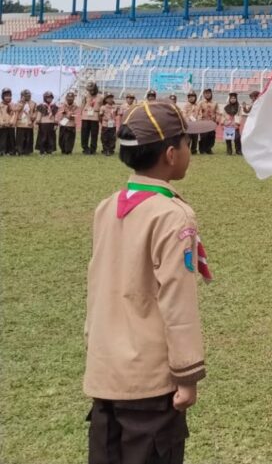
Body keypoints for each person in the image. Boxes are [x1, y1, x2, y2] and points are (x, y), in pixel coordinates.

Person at [84, 100, 215, 464]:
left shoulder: (107, 206)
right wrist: (187, 373)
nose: (191, 151)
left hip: (106, 369)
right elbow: (178, 300)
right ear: (171, 154)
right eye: (188, 143)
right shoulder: (173, 216)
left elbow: (97, 284)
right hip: (151, 381)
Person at [81, 82, 103, 155]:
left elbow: (102, 106)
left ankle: (93, 149)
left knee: (94, 134)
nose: (91, 91)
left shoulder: (100, 97)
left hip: (95, 116)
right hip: (86, 116)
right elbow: (82, 105)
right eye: (89, 90)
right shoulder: (85, 96)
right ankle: (85, 148)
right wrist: (82, 114)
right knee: (84, 133)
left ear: (95, 88)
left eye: (92, 90)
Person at [35, 90, 58, 155]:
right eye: (47, 97)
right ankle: (42, 150)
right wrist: (37, 123)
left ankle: (50, 150)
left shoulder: (54, 106)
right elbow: (39, 115)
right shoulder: (41, 106)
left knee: (51, 138)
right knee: (43, 137)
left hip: (51, 124)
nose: (49, 99)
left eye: (50, 98)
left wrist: (56, 123)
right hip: (43, 124)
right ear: (44, 98)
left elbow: (55, 115)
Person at [14, 89, 36, 155]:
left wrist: (33, 117)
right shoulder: (18, 103)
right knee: (20, 138)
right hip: (21, 123)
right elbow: (16, 110)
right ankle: (19, 150)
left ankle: (27, 151)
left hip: (29, 123)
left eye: (29, 95)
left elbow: (35, 112)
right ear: (22, 96)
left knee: (28, 138)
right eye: (25, 95)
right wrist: (21, 103)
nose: (27, 97)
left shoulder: (33, 103)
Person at [196, 89, 219, 154]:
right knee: (203, 136)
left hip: (212, 122)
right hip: (203, 122)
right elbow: (198, 112)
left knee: (211, 136)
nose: (207, 95)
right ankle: (202, 149)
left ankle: (208, 149)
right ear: (204, 95)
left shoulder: (215, 103)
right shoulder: (200, 103)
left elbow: (217, 112)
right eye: (206, 93)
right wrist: (199, 120)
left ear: (211, 94)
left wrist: (217, 119)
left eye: (209, 93)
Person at [0, 88, 15, 156]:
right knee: (3, 138)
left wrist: (12, 121)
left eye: (9, 96)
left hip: (10, 125)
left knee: (11, 138)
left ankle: (11, 151)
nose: (8, 97)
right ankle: (2, 151)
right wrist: (1, 122)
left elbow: (14, 114)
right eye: (6, 96)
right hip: (2, 125)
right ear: (3, 96)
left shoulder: (13, 105)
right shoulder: (0, 105)